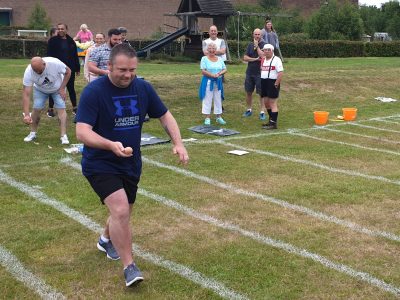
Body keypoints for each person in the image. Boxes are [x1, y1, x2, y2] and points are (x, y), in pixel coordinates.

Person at [75, 43, 189, 287]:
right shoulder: (94, 92)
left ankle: (106, 239)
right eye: (122, 70)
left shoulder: (143, 88)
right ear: (109, 67)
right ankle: (130, 266)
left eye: (132, 70)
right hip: (100, 162)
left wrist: (178, 143)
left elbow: (165, 115)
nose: (127, 75)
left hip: (131, 162)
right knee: (120, 211)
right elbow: (82, 132)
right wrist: (109, 144)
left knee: (124, 211)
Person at [22, 57, 71, 144]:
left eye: (40, 71)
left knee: (61, 108)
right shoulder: (28, 72)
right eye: (35, 71)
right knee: (36, 109)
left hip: (58, 88)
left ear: (44, 64)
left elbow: (68, 71)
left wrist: (62, 88)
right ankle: (33, 133)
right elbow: (26, 94)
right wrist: (26, 114)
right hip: (40, 90)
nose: (37, 73)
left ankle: (63, 136)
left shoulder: (55, 63)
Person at [47, 23, 80, 115]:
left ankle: (75, 107)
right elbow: (49, 55)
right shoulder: (52, 41)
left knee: (71, 88)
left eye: (62, 29)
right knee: (54, 87)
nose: (60, 30)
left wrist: (77, 68)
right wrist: (49, 67)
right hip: (56, 69)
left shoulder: (71, 41)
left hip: (69, 69)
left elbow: (75, 55)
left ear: (66, 30)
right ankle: (50, 108)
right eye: (59, 29)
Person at [199, 42, 227, 126]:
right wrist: (212, 75)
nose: (212, 50)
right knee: (207, 99)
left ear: (216, 50)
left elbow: (225, 69)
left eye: (213, 49)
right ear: (207, 50)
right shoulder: (204, 58)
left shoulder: (220, 59)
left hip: (218, 81)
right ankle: (207, 118)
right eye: (210, 49)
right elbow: (203, 71)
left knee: (218, 99)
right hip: (208, 81)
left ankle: (219, 117)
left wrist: (219, 74)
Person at [242, 28, 266, 120]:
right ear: (253, 35)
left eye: (258, 34)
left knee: (261, 93)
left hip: (260, 73)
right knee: (248, 92)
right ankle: (249, 110)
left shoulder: (264, 45)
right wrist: (254, 59)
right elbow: (245, 57)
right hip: (250, 72)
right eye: (255, 34)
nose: (257, 36)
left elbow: (262, 55)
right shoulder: (250, 45)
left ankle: (262, 112)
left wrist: (257, 46)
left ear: (261, 35)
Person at [259, 44, 283, 130]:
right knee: (266, 103)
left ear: (272, 51)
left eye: (269, 50)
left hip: (272, 82)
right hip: (264, 82)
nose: (267, 51)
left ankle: (273, 123)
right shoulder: (263, 60)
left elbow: (280, 73)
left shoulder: (277, 60)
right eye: (265, 50)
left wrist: (276, 84)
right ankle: (271, 120)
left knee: (272, 103)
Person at [47, 26, 58, 118]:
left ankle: (59, 107)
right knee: (53, 87)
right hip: (52, 68)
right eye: (56, 33)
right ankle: (50, 108)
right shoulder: (51, 43)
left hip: (60, 68)